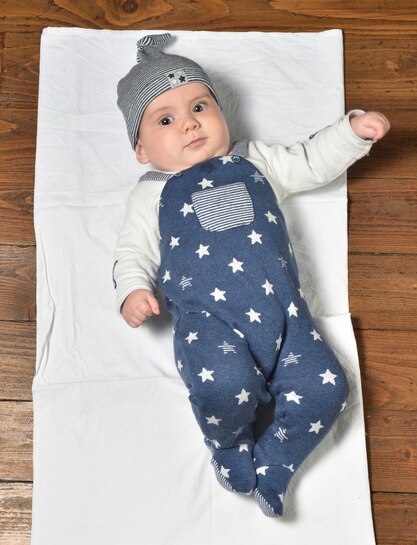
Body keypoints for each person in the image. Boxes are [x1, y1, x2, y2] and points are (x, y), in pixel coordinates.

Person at [114, 33, 390, 517]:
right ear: (141, 150)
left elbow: (310, 160)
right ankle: (228, 444)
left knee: (328, 386)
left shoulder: (255, 161)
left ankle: (278, 461)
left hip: (287, 318)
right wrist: (132, 289)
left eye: (200, 106)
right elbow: (131, 250)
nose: (190, 124)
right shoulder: (151, 195)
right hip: (210, 326)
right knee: (221, 385)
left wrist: (351, 134)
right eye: (165, 120)